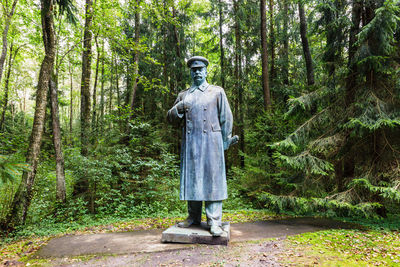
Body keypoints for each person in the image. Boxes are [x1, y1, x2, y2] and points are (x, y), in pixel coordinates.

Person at [167, 56, 238, 236]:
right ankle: (193, 217)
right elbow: (169, 118)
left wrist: (225, 140)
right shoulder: (184, 95)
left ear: (206, 71)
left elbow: (226, 117)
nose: (197, 72)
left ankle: (214, 220)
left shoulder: (217, 92)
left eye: (200, 69)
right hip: (191, 143)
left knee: (212, 180)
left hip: (212, 143)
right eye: (194, 69)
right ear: (190, 72)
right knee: (193, 179)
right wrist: (178, 109)